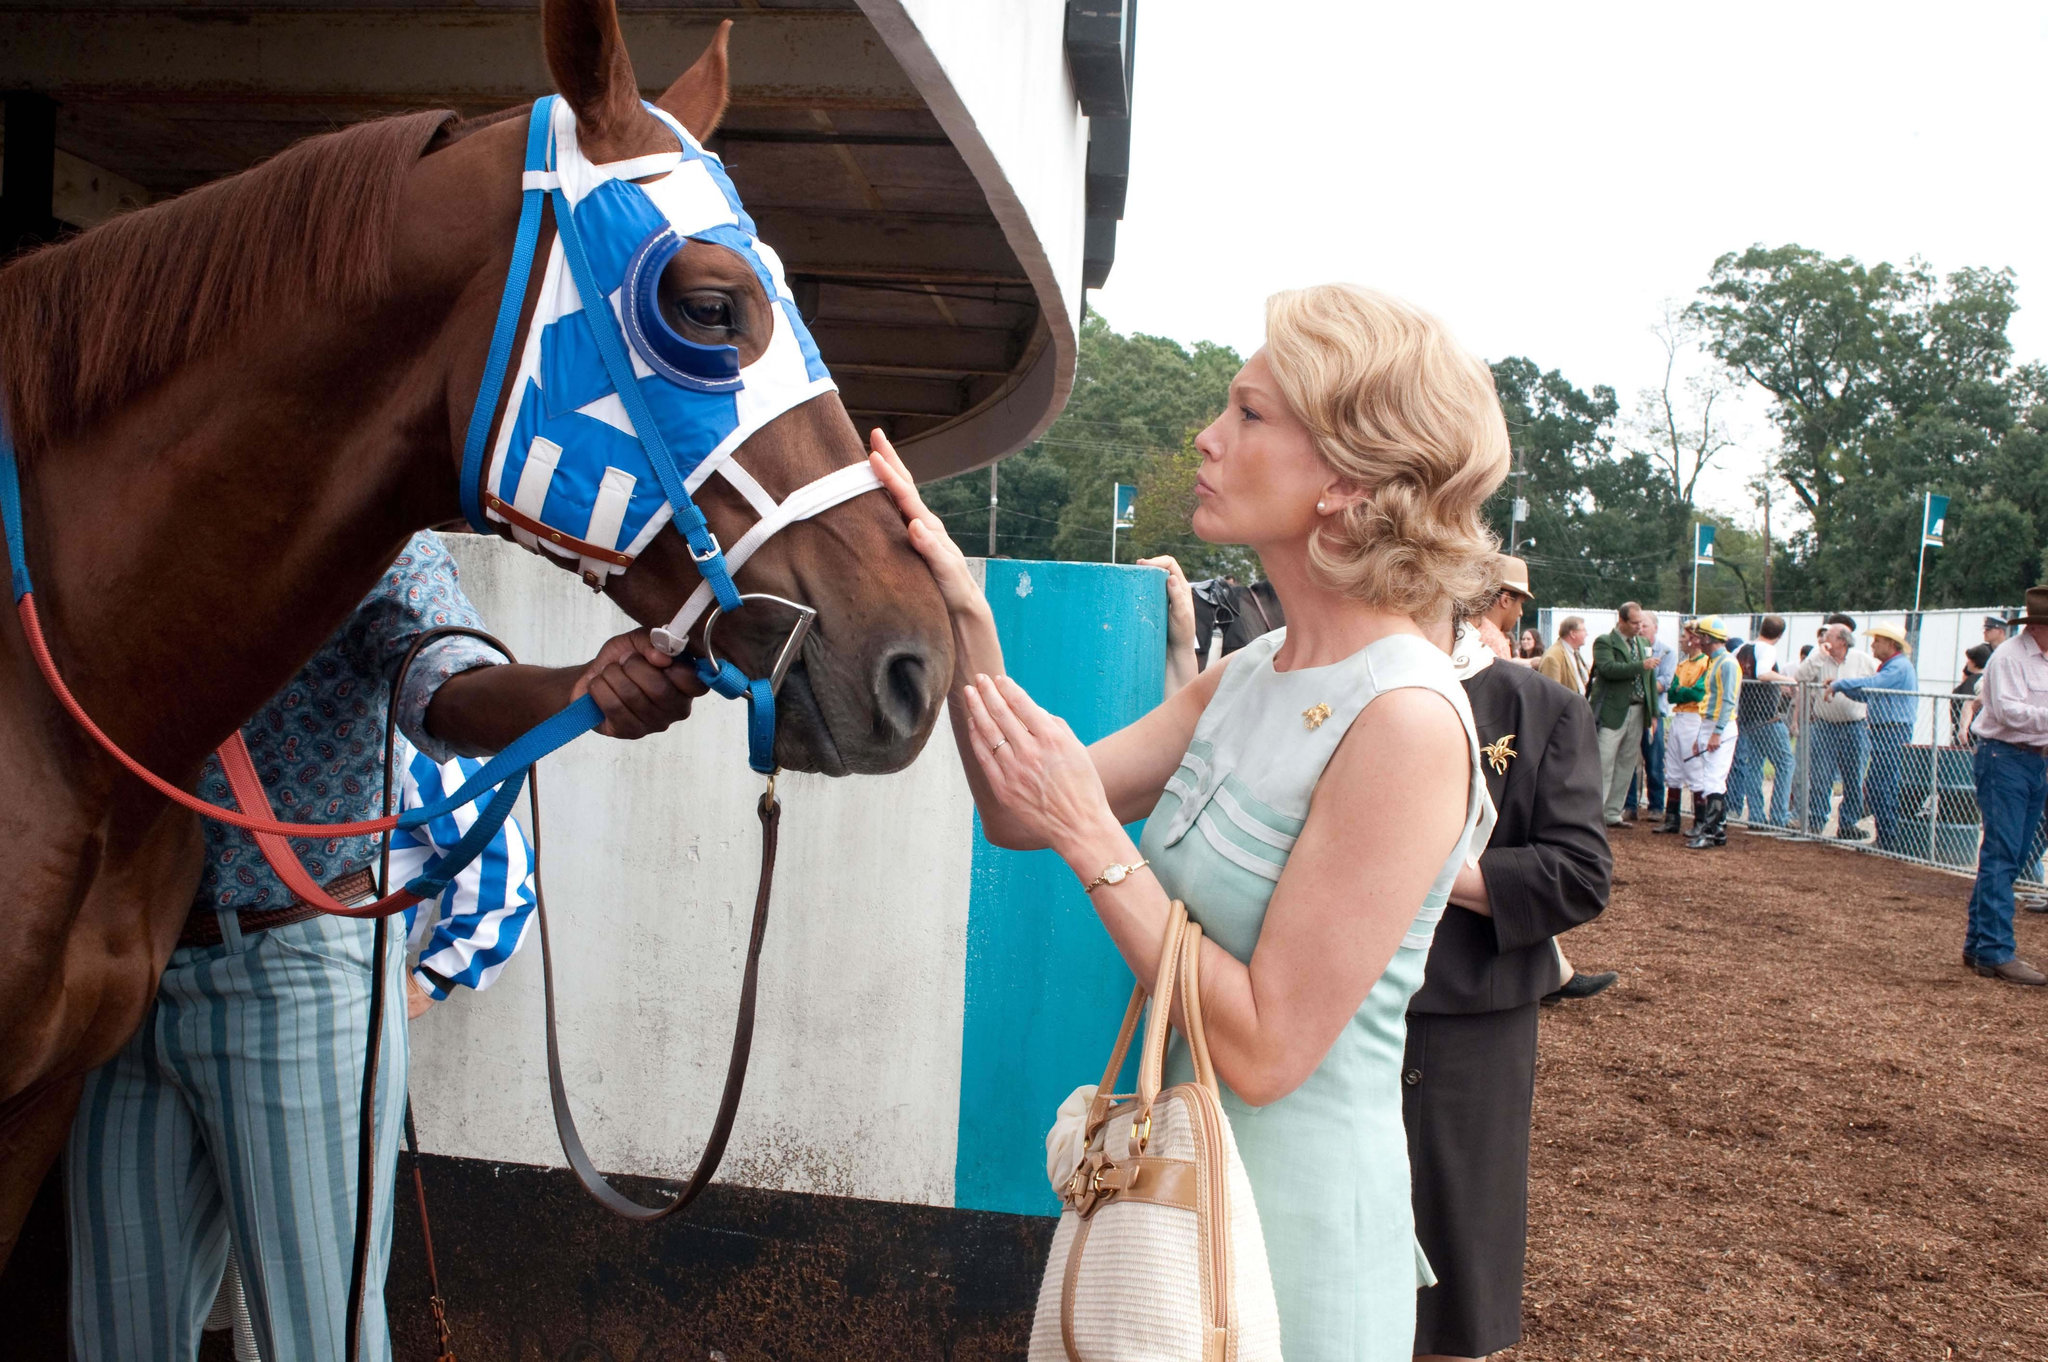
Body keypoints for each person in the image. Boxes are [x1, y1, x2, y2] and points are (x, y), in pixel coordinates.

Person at [873, 282, 1504, 1359]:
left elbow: (1263, 1050)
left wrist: (1095, 839)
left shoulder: (1401, 717)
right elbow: (1021, 811)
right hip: (1167, 1215)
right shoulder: (1254, 670)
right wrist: (961, 613)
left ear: (1346, 482)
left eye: (1249, 415)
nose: (1206, 438)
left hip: (1291, 1254)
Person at [64, 532, 704, 1360]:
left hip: (291, 962)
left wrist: (577, 691)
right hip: (121, 968)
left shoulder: (363, 528)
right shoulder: (132, 502)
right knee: (115, 1334)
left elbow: (452, 692)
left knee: (315, 1337)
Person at [1407, 619, 1611, 1361]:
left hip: (1461, 1025)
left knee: (1449, 1281)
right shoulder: (1313, 681)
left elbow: (1580, 875)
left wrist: (1428, 866)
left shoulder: (1534, 706)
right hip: (1312, 1014)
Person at [1961, 586, 2048, 985]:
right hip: (2006, 757)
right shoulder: (2011, 657)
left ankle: (1982, 946)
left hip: (2029, 760)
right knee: (2004, 854)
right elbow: (2010, 713)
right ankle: (1995, 950)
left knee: (2008, 853)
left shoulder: (2034, 657)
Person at [1828, 623, 1918, 853]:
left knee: (1882, 785)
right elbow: (1867, 692)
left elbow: (1872, 685)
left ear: (1890, 643)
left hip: (1892, 730)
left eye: (1877, 640)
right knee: (1879, 785)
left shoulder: (1897, 667)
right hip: (1886, 729)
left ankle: (1889, 840)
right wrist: (1842, 688)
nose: (1873, 644)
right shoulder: (1891, 666)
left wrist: (1840, 684)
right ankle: (1886, 839)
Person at [1795, 623, 1877, 838]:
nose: (1823, 640)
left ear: (1842, 640)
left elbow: (1877, 681)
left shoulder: (1862, 660)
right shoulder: (1818, 657)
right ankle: (1815, 823)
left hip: (1855, 726)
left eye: (1828, 636)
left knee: (1854, 777)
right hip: (1825, 724)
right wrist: (1817, 657)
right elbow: (1801, 677)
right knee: (1821, 776)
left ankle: (1848, 825)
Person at [1588, 602, 1656, 828]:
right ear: (1622, 621)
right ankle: (1593, 814)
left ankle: (1613, 813)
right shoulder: (1604, 642)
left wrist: (1653, 712)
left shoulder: (1643, 643)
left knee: (1628, 764)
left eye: (1641, 623)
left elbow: (1650, 680)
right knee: (1604, 762)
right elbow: (1607, 669)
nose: (1640, 627)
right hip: (1612, 711)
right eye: (1635, 623)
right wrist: (1640, 666)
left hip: (1637, 710)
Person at [1680, 616, 1741, 849]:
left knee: (1714, 779)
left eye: (1699, 637)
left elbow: (1728, 701)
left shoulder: (1726, 663)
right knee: (1710, 778)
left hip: (1719, 725)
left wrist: (1717, 732)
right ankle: (1718, 829)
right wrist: (1701, 736)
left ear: (1707, 638)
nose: (1696, 641)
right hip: (1709, 724)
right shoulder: (1714, 661)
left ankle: (1711, 831)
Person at [1729, 615, 1793, 828]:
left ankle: (1756, 816)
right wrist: (1788, 680)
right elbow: (1762, 673)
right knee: (1785, 763)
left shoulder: (1741, 649)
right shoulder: (1767, 649)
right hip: (1765, 716)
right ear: (1780, 635)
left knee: (1754, 765)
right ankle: (1779, 817)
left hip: (1746, 715)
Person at [1653, 623, 1707, 835]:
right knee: (1673, 768)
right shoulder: (1683, 665)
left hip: (1694, 718)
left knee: (1695, 768)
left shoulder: (1705, 663)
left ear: (1695, 639)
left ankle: (1701, 821)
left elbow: (1698, 694)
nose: (1682, 640)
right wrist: (1683, 691)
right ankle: (1672, 818)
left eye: (1685, 637)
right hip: (1679, 717)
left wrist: (1681, 690)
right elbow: (1673, 695)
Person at [1479, 556, 1537, 668]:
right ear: (1505, 600)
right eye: (1521, 603)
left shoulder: (1470, 630)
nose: (1520, 613)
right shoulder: (1496, 643)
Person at [1535, 616, 1590, 692]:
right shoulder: (1553, 657)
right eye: (1583, 630)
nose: (1587, 634)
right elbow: (1552, 692)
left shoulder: (1575, 653)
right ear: (1573, 634)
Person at [1954, 642, 1993, 744]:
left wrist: (1963, 729)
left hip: (1970, 734)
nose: (1967, 663)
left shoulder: (1972, 681)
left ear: (1975, 662)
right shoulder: (1988, 679)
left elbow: (1968, 704)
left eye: (1970, 660)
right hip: (1981, 730)